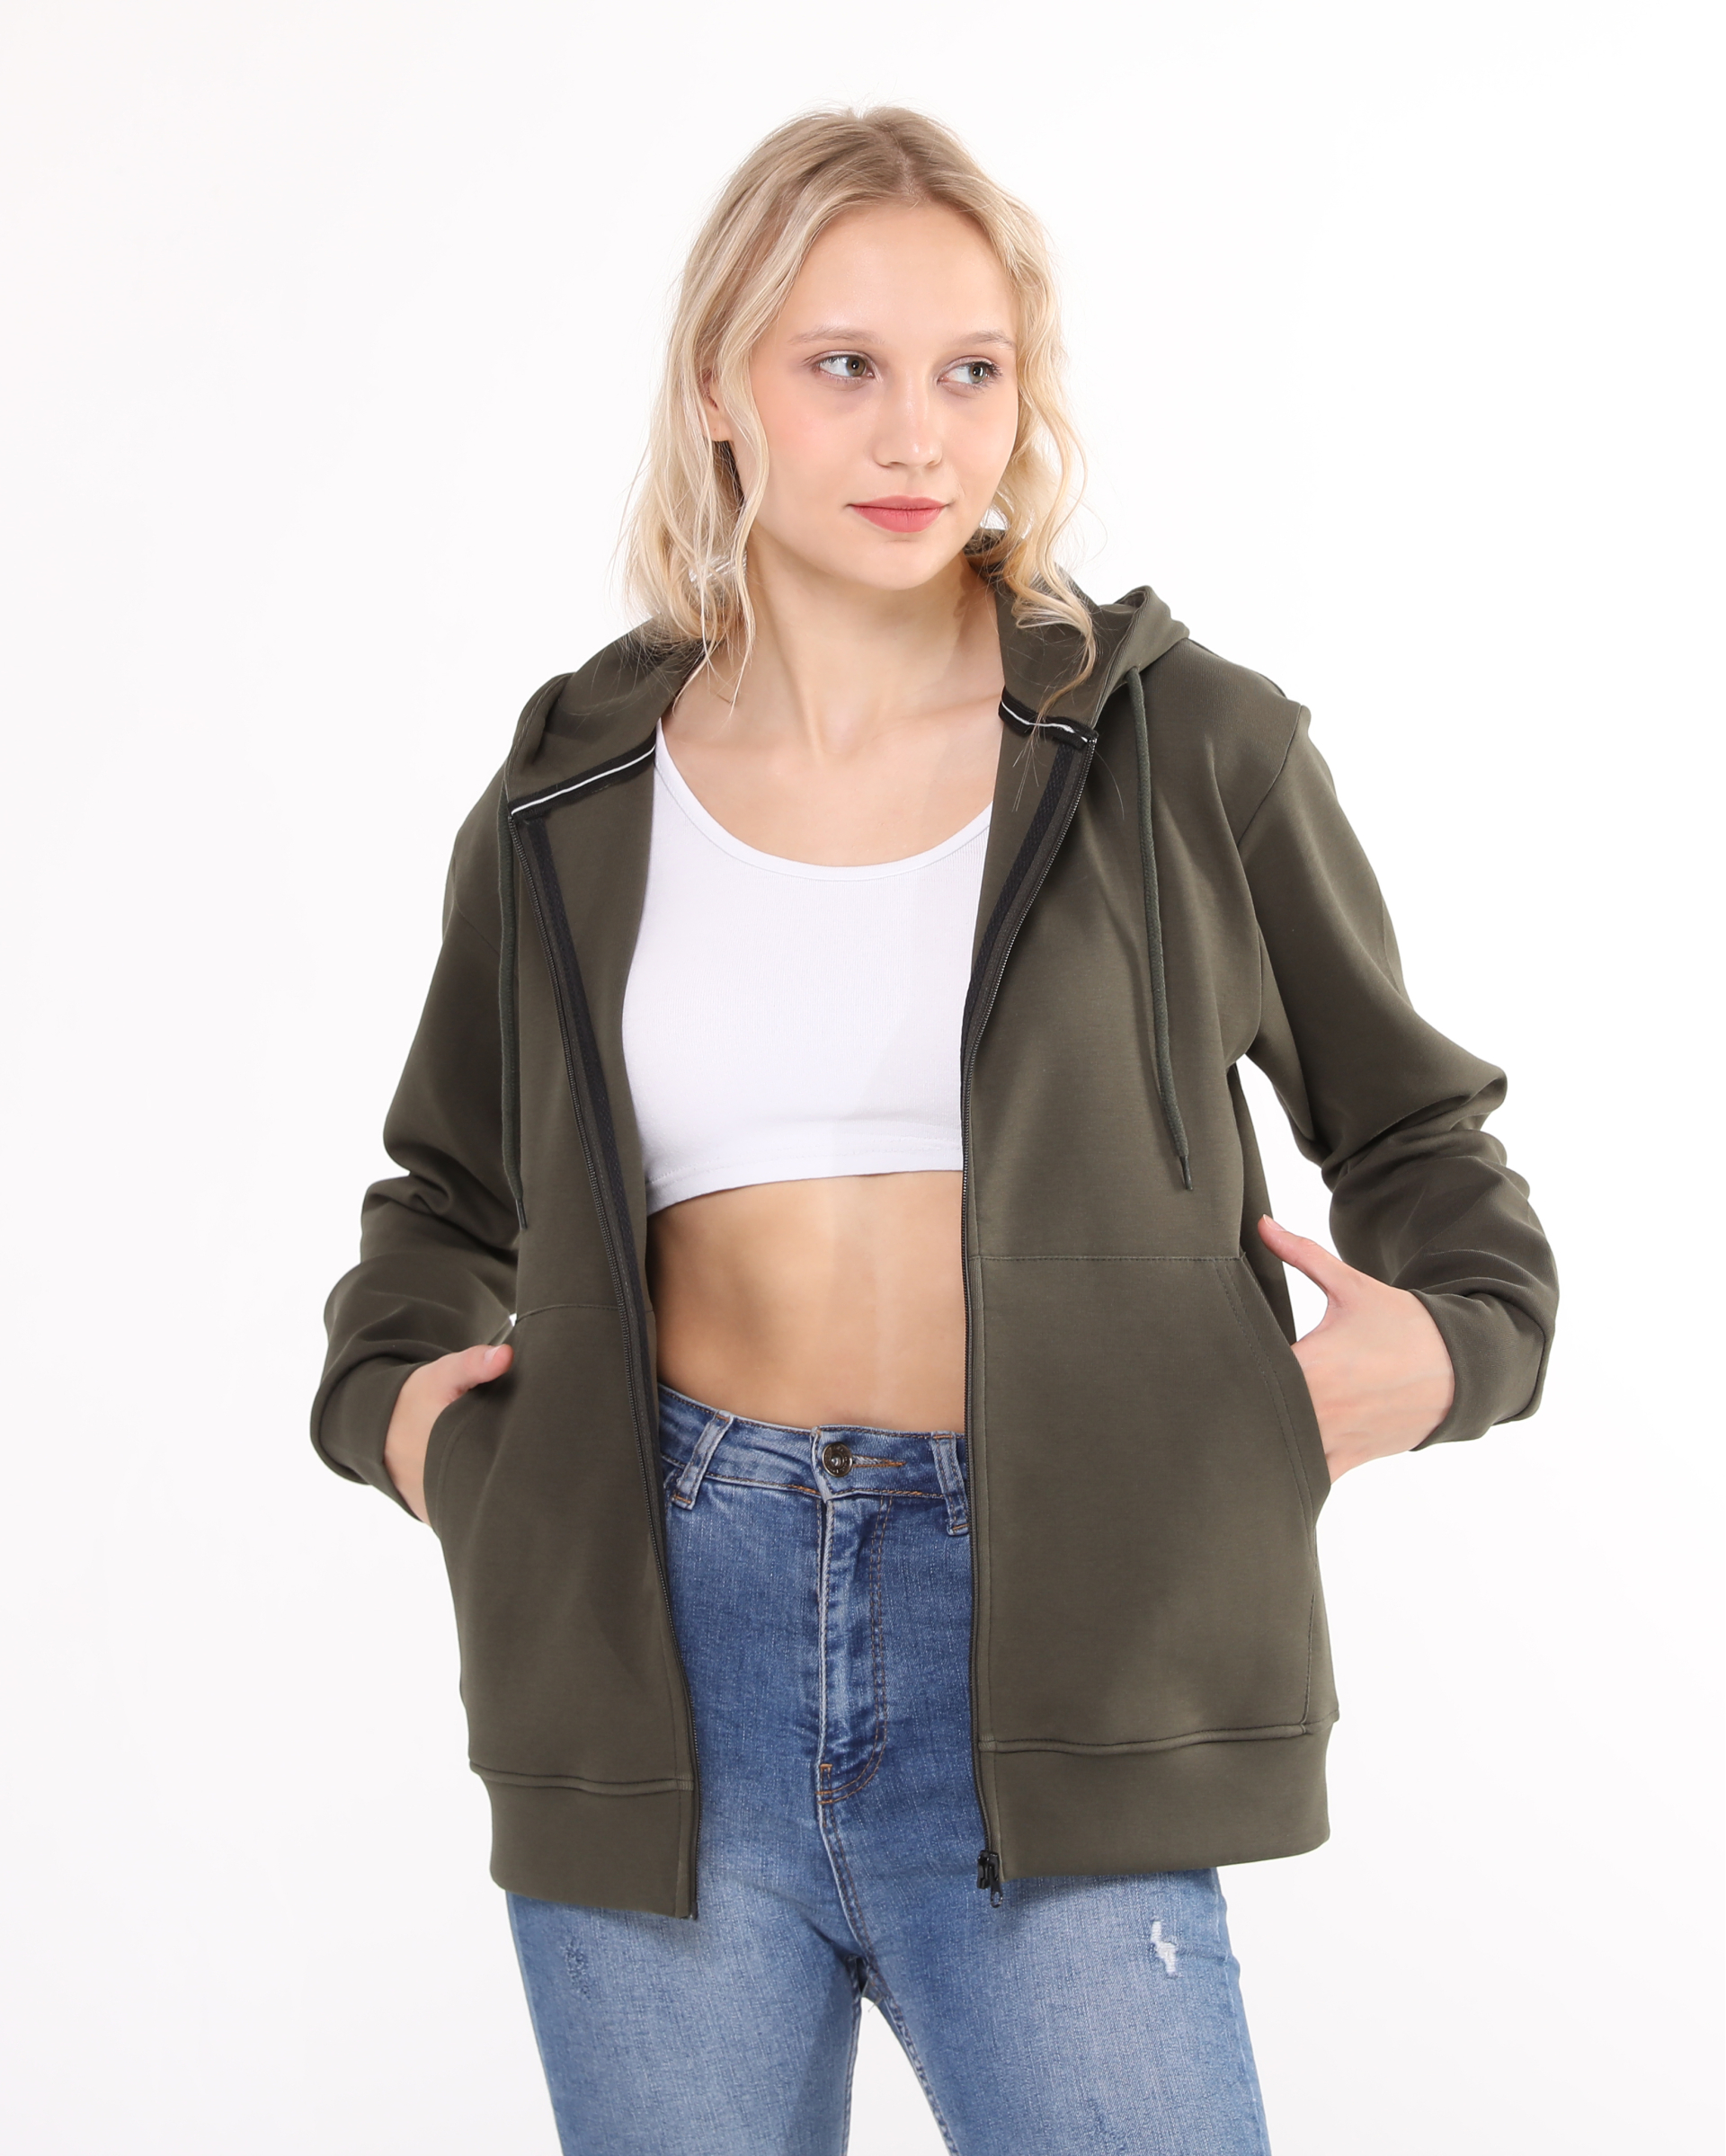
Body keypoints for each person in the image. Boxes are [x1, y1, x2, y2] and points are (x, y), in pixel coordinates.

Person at [312, 107, 1557, 2156]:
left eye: (972, 370)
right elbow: (446, 1191)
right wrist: (413, 1428)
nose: (918, 436)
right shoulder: (569, 793)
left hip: (1062, 1631)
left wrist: (1459, 1348)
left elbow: (1424, 1137)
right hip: (655, 1640)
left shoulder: (1183, 745)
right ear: (720, 389)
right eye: (846, 366)